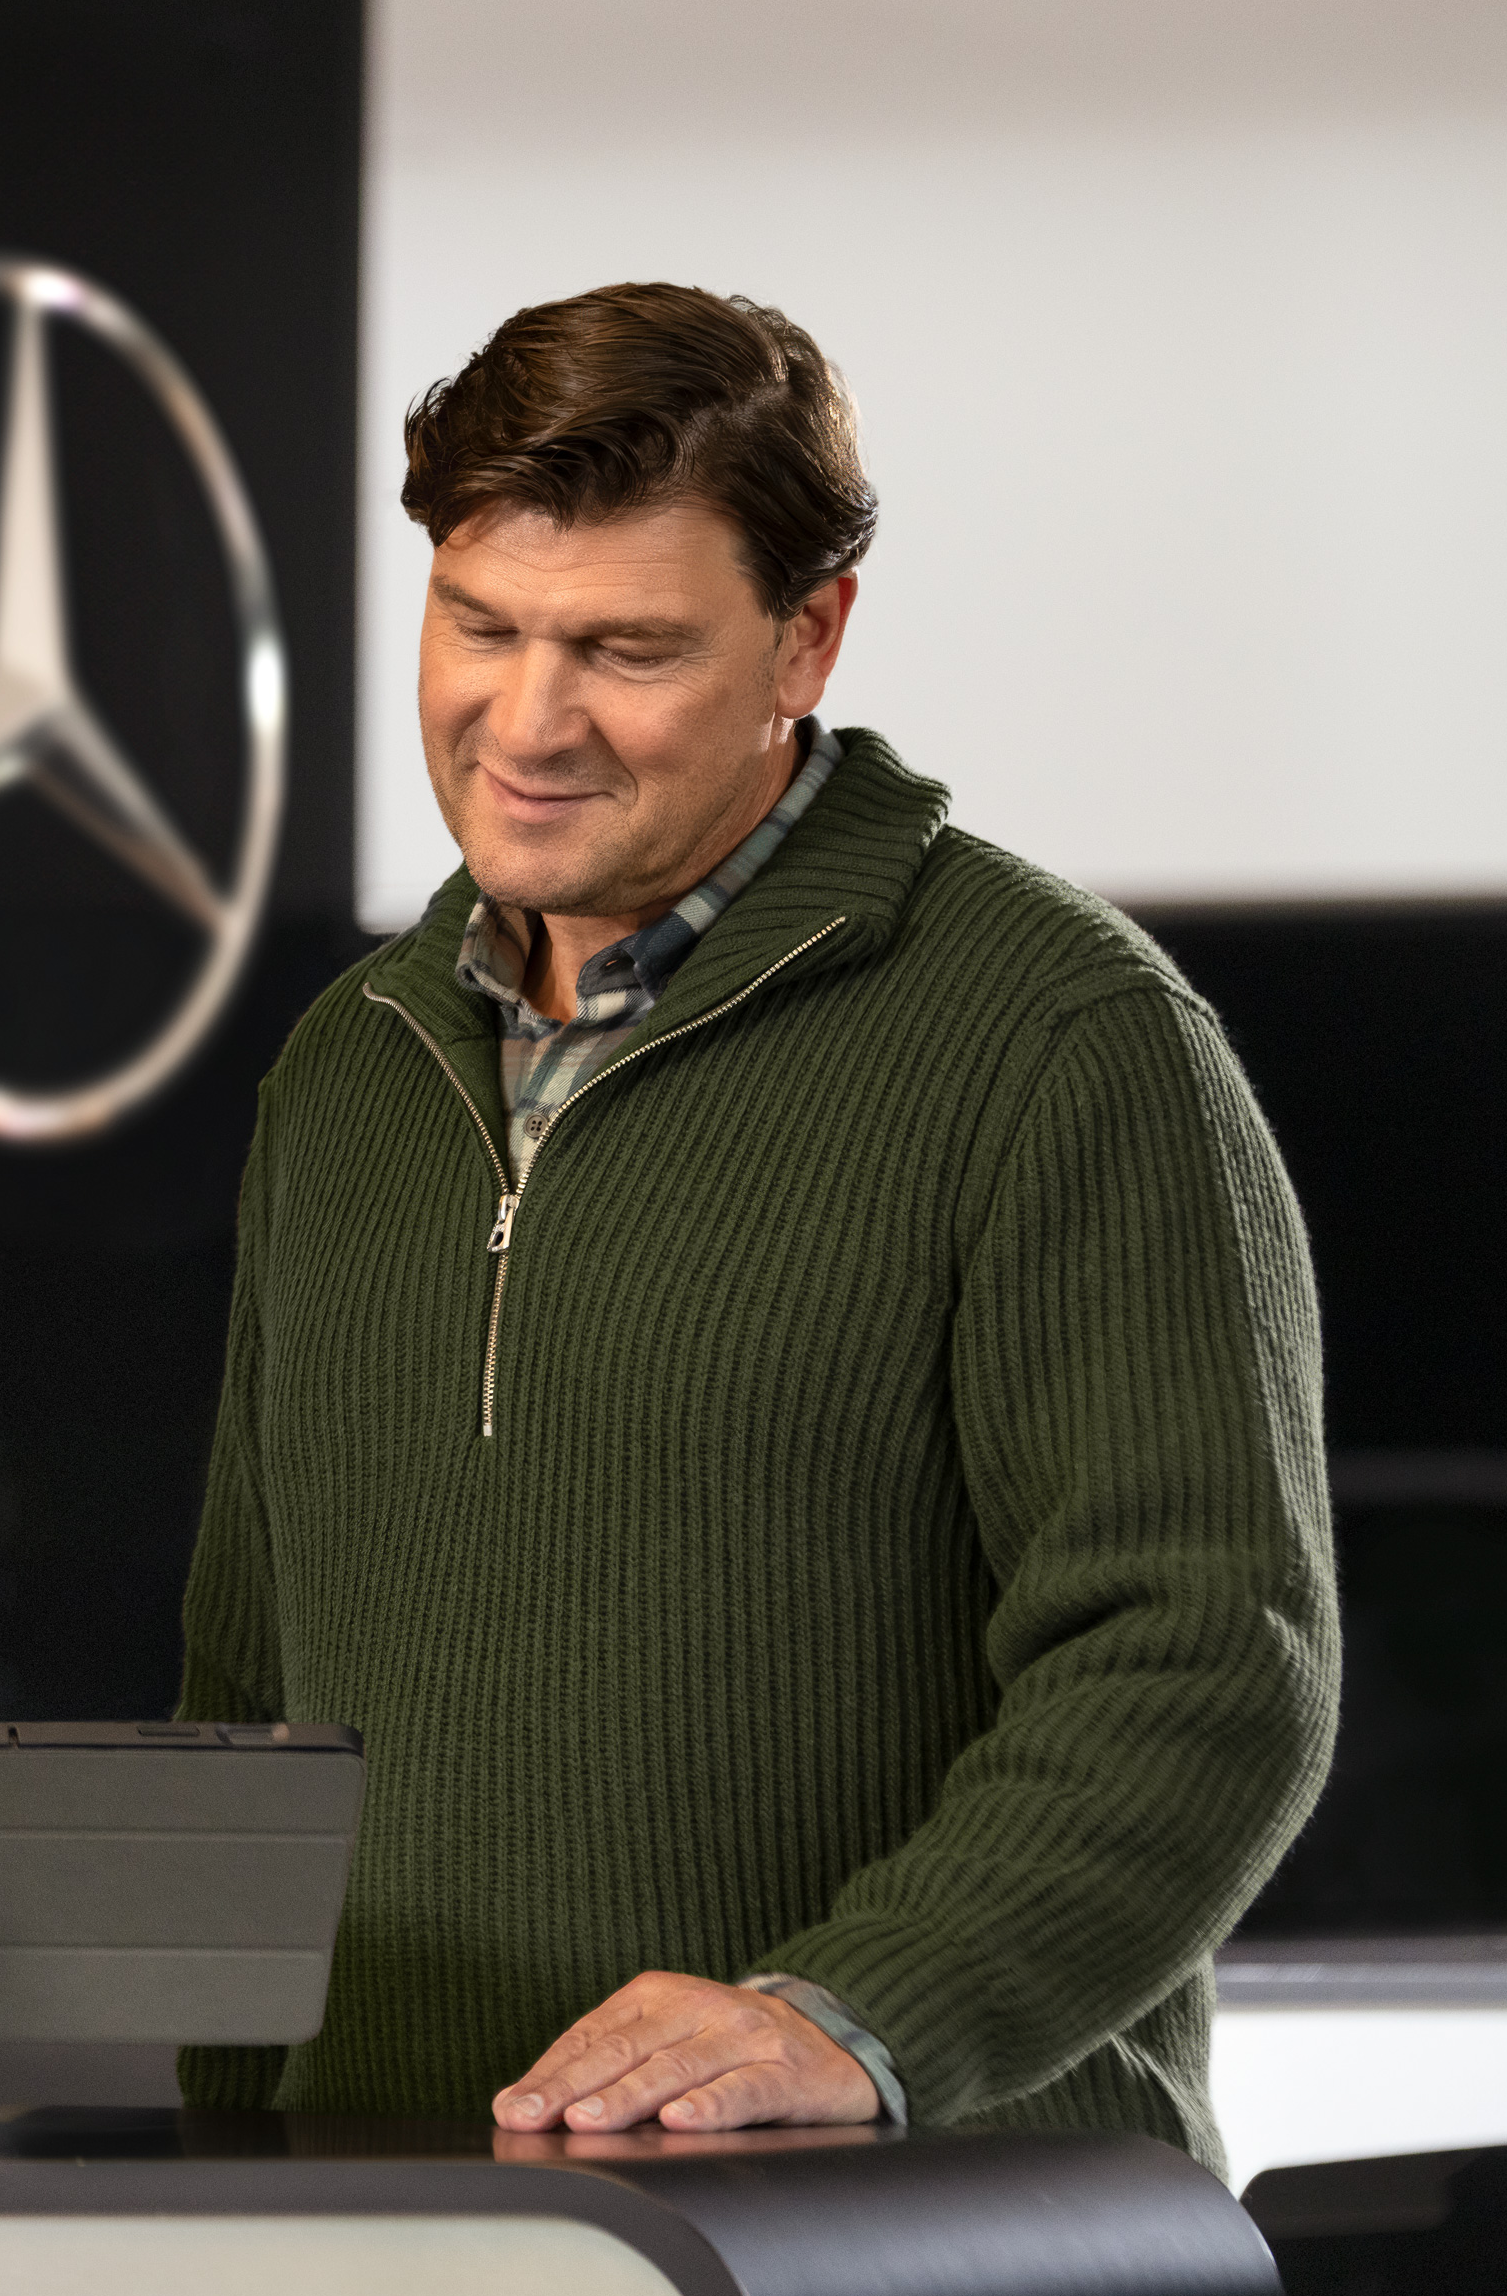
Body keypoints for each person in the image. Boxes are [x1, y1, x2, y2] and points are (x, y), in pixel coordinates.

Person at [175, 283, 1336, 2164]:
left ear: (811, 639)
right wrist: (218, 2179)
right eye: (479, 627)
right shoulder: (352, 1069)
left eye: (626, 649)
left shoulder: (1061, 1039)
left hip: (911, 2261)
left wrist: (851, 2020)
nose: (526, 720)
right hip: (396, 2256)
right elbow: (249, 1692)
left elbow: (1206, 1668)